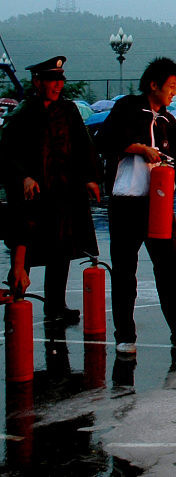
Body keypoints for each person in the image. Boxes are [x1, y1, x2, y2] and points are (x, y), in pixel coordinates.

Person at [102, 57, 176, 354]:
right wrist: (139, 148)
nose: (174, 92)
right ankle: (125, 335)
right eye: (171, 86)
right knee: (125, 271)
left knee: (171, 267)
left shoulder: (168, 121)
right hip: (127, 203)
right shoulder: (127, 108)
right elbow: (105, 140)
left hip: (160, 206)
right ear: (153, 85)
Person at [0, 56, 100, 325]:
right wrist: (23, 176)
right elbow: (6, 152)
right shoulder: (22, 113)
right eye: (52, 80)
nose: (58, 85)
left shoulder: (67, 111)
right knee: (27, 245)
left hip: (64, 191)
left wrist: (90, 178)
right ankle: (17, 297)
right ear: (37, 82)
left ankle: (56, 305)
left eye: (60, 80)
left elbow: (83, 144)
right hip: (35, 195)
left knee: (62, 247)